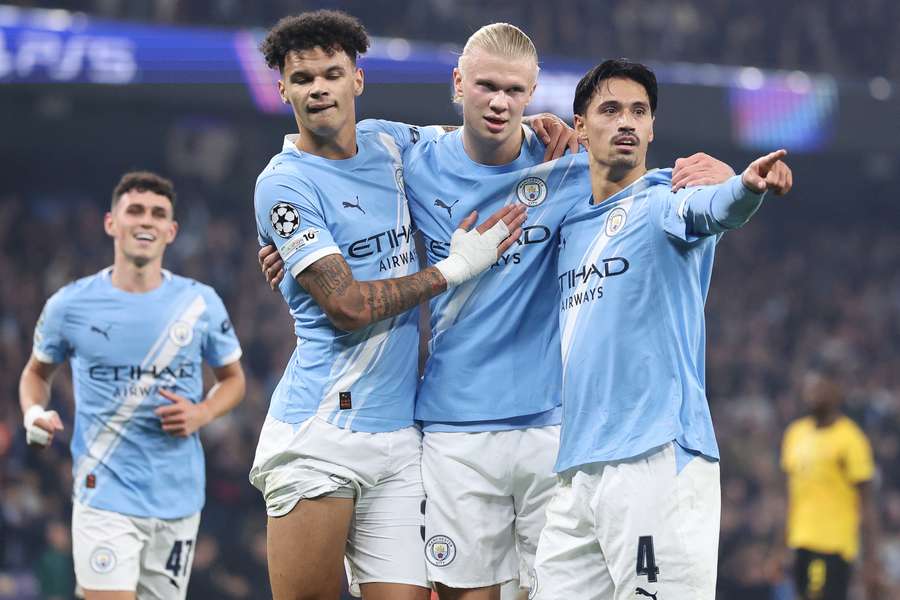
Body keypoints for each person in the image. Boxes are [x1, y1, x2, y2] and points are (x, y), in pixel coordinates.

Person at [259, 23, 734, 600]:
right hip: (445, 430)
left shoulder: (563, 160)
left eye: (515, 92)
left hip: (551, 429)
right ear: (458, 84)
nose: (500, 102)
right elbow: (341, 262)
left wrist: (723, 182)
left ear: (534, 95)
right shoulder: (402, 155)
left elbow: (642, 190)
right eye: (486, 87)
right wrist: (289, 253)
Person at [246, 11, 525, 600]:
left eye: (332, 72)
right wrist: (451, 270)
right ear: (283, 91)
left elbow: (473, 136)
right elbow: (345, 305)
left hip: (399, 439)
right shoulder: (285, 183)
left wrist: (542, 123)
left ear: (358, 81)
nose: (318, 87)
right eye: (302, 78)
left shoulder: (390, 142)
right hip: (322, 432)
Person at [529, 58, 793, 599]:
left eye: (639, 111)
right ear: (581, 126)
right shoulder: (570, 225)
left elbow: (714, 207)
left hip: (655, 459)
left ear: (651, 129)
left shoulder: (663, 203)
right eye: (610, 109)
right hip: (579, 470)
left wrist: (746, 185)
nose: (626, 121)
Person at [19, 171, 246, 600]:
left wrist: (202, 412)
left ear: (171, 230)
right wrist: (34, 412)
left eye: (158, 213)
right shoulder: (70, 304)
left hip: (177, 497)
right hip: (102, 492)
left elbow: (234, 381)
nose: (146, 221)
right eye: (135, 210)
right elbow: (35, 373)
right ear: (111, 223)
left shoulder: (200, 303)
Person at [778, 364, 882, 600]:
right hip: (799, 541)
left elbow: (867, 503)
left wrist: (872, 560)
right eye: (809, 388)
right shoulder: (794, 434)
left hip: (834, 544)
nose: (813, 394)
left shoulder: (851, 439)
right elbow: (788, 496)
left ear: (836, 393)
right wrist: (779, 547)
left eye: (819, 388)